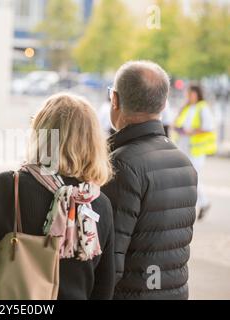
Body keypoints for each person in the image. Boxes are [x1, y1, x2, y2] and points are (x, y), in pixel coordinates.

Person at [0, 93, 116, 299]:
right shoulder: (99, 203)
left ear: (41, 134)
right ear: (94, 141)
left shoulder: (9, 187)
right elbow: (104, 287)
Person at [102, 61, 197, 300]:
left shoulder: (121, 165)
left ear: (115, 99)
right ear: (164, 104)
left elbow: (110, 261)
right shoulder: (183, 162)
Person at [173, 84, 216, 220]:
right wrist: (179, 128)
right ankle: (202, 203)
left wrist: (192, 131)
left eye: (191, 94)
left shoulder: (202, 107)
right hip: (184, 147)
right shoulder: (186, 107)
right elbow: (177, 123)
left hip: (196, 149)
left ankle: (202, 203)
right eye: (188, 94)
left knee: (192, 178)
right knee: (188, 178)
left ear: (198, 94)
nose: (189, 96)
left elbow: (208, 127)